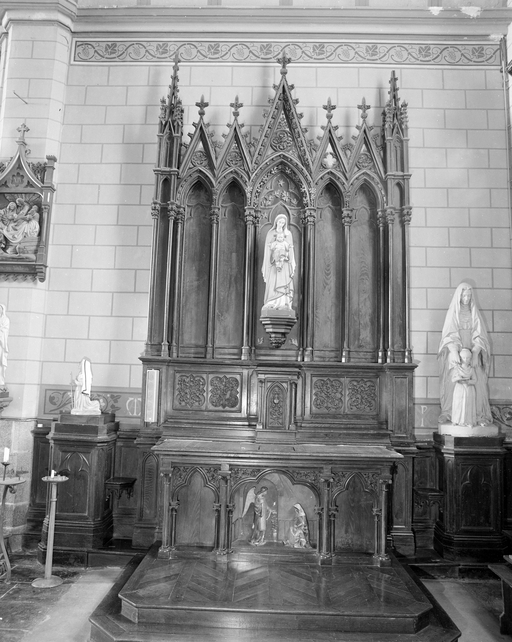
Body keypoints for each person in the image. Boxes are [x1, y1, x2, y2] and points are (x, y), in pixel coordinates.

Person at [438, 283, 492, 426]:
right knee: (452, 379)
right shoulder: (453, 312)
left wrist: (476, 351)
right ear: (459, 296)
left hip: (472, 349)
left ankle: (478, 415)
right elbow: (448, 334)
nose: (467, 299)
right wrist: (453, 350)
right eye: (464, 296)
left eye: (469, 296)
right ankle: (449, 412)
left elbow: (480, 335)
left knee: (477, 380)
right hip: (455, 348)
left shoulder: (474, 313)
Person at [262, 214, 296, 311]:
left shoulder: (288, 234)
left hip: (285, 264)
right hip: (274, 264)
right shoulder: (271, 233)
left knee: (284, 282)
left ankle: (284, 303)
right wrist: (273, 256)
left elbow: (291, 249)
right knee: (272, 282)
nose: (281, 224)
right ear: (276, 222)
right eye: (280, 222)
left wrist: (289, 258)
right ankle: (272, 302)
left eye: (283, 223)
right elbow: (267, 249)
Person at [451, 348, 477, 427]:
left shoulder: (471, 369)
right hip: (459, 389)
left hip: (469, 388)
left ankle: (468, 421)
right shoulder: (457, 368)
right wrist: (458, 378)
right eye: (464, 358)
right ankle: (456, 420)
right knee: (458, 404)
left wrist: (468, 382)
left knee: (468, 404)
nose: (466, 360)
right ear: (461, 358)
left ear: (470, 358)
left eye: (468, 358)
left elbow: (475, 380)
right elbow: (453, 379)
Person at [0, 305, 9, 388]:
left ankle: (1, 381)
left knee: (1, 362)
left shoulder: (5, 320)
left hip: (1, 345)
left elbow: (4, 331)